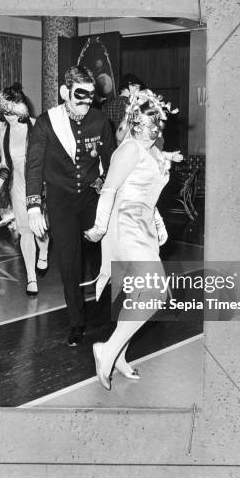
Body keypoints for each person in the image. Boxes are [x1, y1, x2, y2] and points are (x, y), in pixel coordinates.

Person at [84, 89, 178, 389]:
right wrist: (99, 229)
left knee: (140, 295)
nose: (157, 131)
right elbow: (111, 190)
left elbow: (148, 193)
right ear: (136, 124)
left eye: (160, 125)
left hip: (144, 226)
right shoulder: (129, 150)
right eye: (152, 126)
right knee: (156, 292)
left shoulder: (152, 150)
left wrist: (159, 223)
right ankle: (107, 350)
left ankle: (120, 356)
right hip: (126, 226)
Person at [26, 65, 115, 346]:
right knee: (70, 263)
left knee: (104, 254)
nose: (87, 102)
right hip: (61, 201)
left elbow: (112, 164)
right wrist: (33, 207)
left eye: (91, 96)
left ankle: (114, 311)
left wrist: (105, 192)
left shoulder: (100, 121)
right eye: (80, 95)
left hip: (91, 197)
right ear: (65, 92)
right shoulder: (46, 123)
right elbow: (34, 166)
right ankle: (76, 322)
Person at [0, 83, 49, 296]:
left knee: (42, 231)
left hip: (40, 185)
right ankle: (31, 278)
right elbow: (4, 164)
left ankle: (43, 253)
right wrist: (0, 177)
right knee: (25, 231)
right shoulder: (3, 133)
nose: (9, 117)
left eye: (13, 112)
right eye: (5, 112)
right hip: (18, 186)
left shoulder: (36, 126)